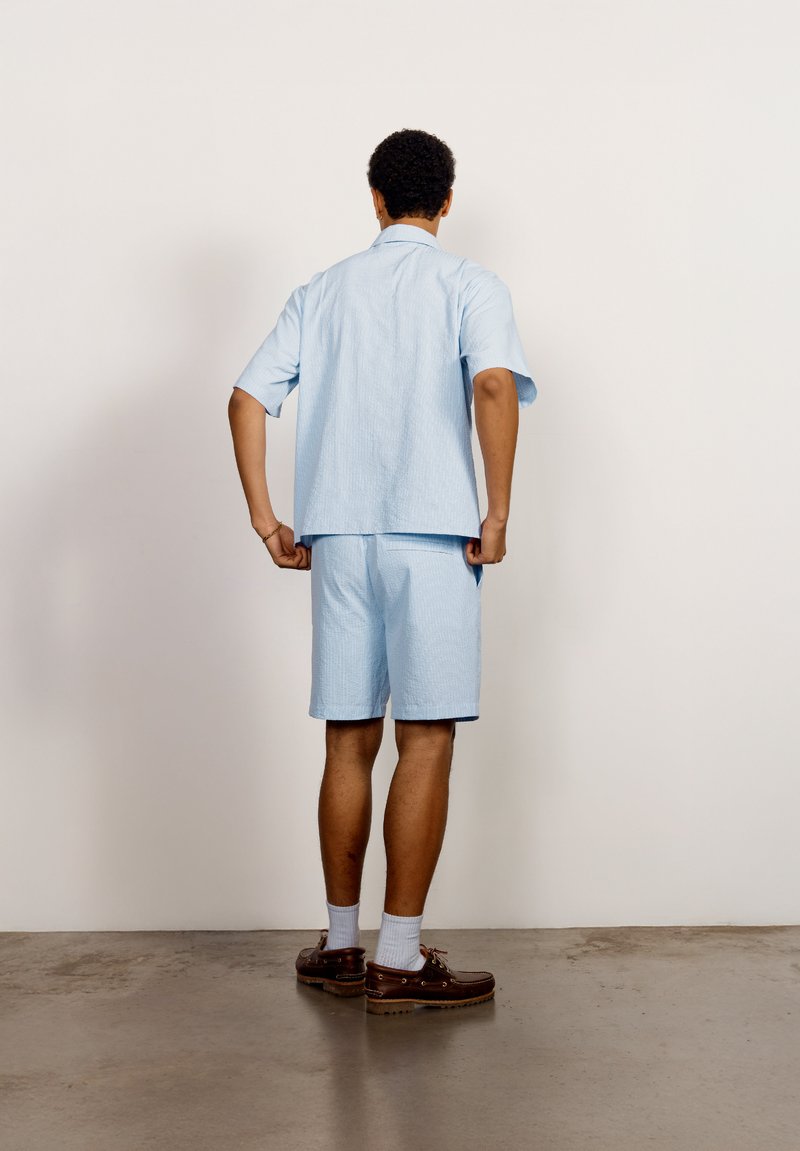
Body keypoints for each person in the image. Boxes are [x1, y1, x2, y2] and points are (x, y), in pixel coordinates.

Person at [228, 128, 537, 1015]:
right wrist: (497, 513)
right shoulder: (469, 283)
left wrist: (267, 520)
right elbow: (492, 386)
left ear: (374, 199)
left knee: (348, 739)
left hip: (338, 535)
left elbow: (246, 397)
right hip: (432, 535)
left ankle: (339, 947)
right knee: (426, 737)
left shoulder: (321, 290)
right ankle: (398, 958)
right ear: (447, 201)